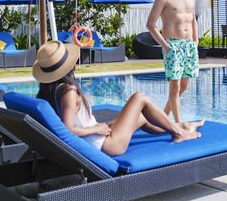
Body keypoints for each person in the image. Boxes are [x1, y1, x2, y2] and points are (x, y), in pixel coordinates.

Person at [33, 40, 204, 157]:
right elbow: (68, 129)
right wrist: (96, 129)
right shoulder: (69, 92)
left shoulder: (50, 92)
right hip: (107, 145)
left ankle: (182, 126)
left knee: (141, 117)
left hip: (97, 139)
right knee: (139, 97)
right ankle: (178, 133)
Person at [146, 0, 199, 123]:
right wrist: (166, 46)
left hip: (189, 45)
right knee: (174, 88)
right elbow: (150, 24)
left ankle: (162, 117)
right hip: (173, 45)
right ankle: (178, 124)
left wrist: (195, 41)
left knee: (184, 86)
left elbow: (193, 20)